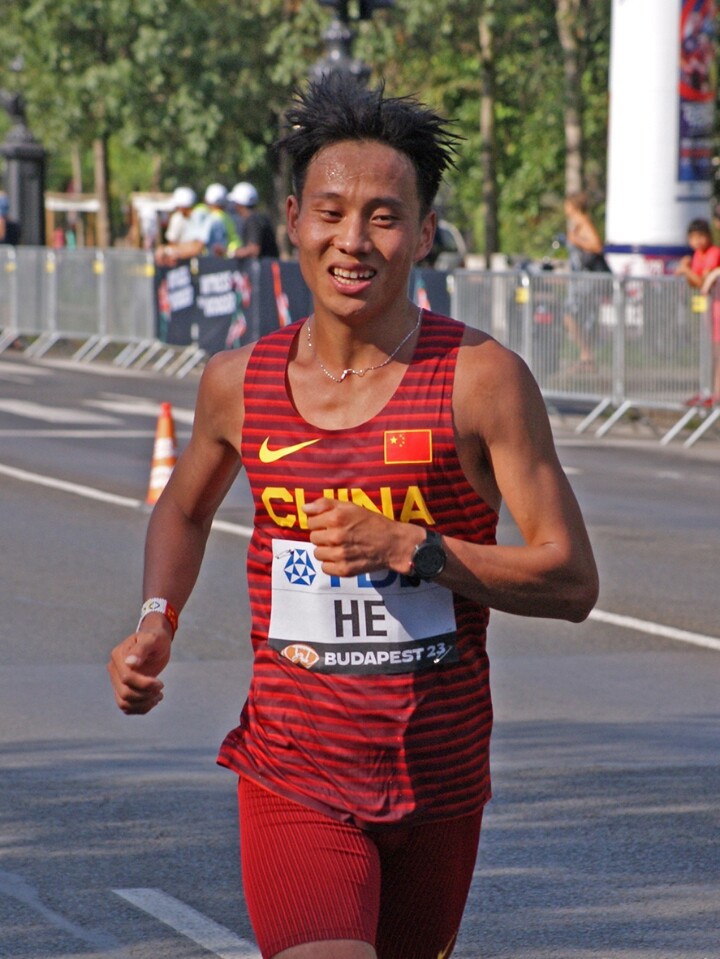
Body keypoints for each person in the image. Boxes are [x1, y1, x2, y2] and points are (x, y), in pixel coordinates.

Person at [108, 74, 598, 959]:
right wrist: (155, 619)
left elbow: (570, 579)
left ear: (425, 232)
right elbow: (182, 509)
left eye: (384, 216)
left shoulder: (480, 379)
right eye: (332, 213)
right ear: (294, 219)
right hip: (294, 771)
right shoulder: (238, 382)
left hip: (440, 778)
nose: (353, 240)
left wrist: (418, 548)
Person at [562, 191, 611, 371]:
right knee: (581, 318)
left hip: (587, 282)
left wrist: (576, 239)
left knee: (570, 316)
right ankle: (587, 358)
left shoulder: (583, 222)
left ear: (573, 206)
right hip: (579, 281)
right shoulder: (576, 223)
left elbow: (597, 245)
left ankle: (586, 354)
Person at [676, 217, 720, 405]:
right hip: (706, 310)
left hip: (716, 309)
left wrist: (685, 269)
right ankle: (706, 390)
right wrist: (687, 271)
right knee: (707, 351)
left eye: (701, 236)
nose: (698, 241)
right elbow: (694, 282)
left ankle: (716, 392)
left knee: (717, 353)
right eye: (693, 237)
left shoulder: (713, 253)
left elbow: (701, 281)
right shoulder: (697, 255)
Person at [155, 182, 240, 266]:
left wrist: (169, 251)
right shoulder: (221, 216)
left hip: (217, 265)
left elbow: (197, 247)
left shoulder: (210, 218)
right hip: (223, 263)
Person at [227, 181, 280, 259]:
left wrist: (231, 253)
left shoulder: (253, 220)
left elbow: (254, 250)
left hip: (265, 266)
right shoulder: (260, 218)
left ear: (239, 204)